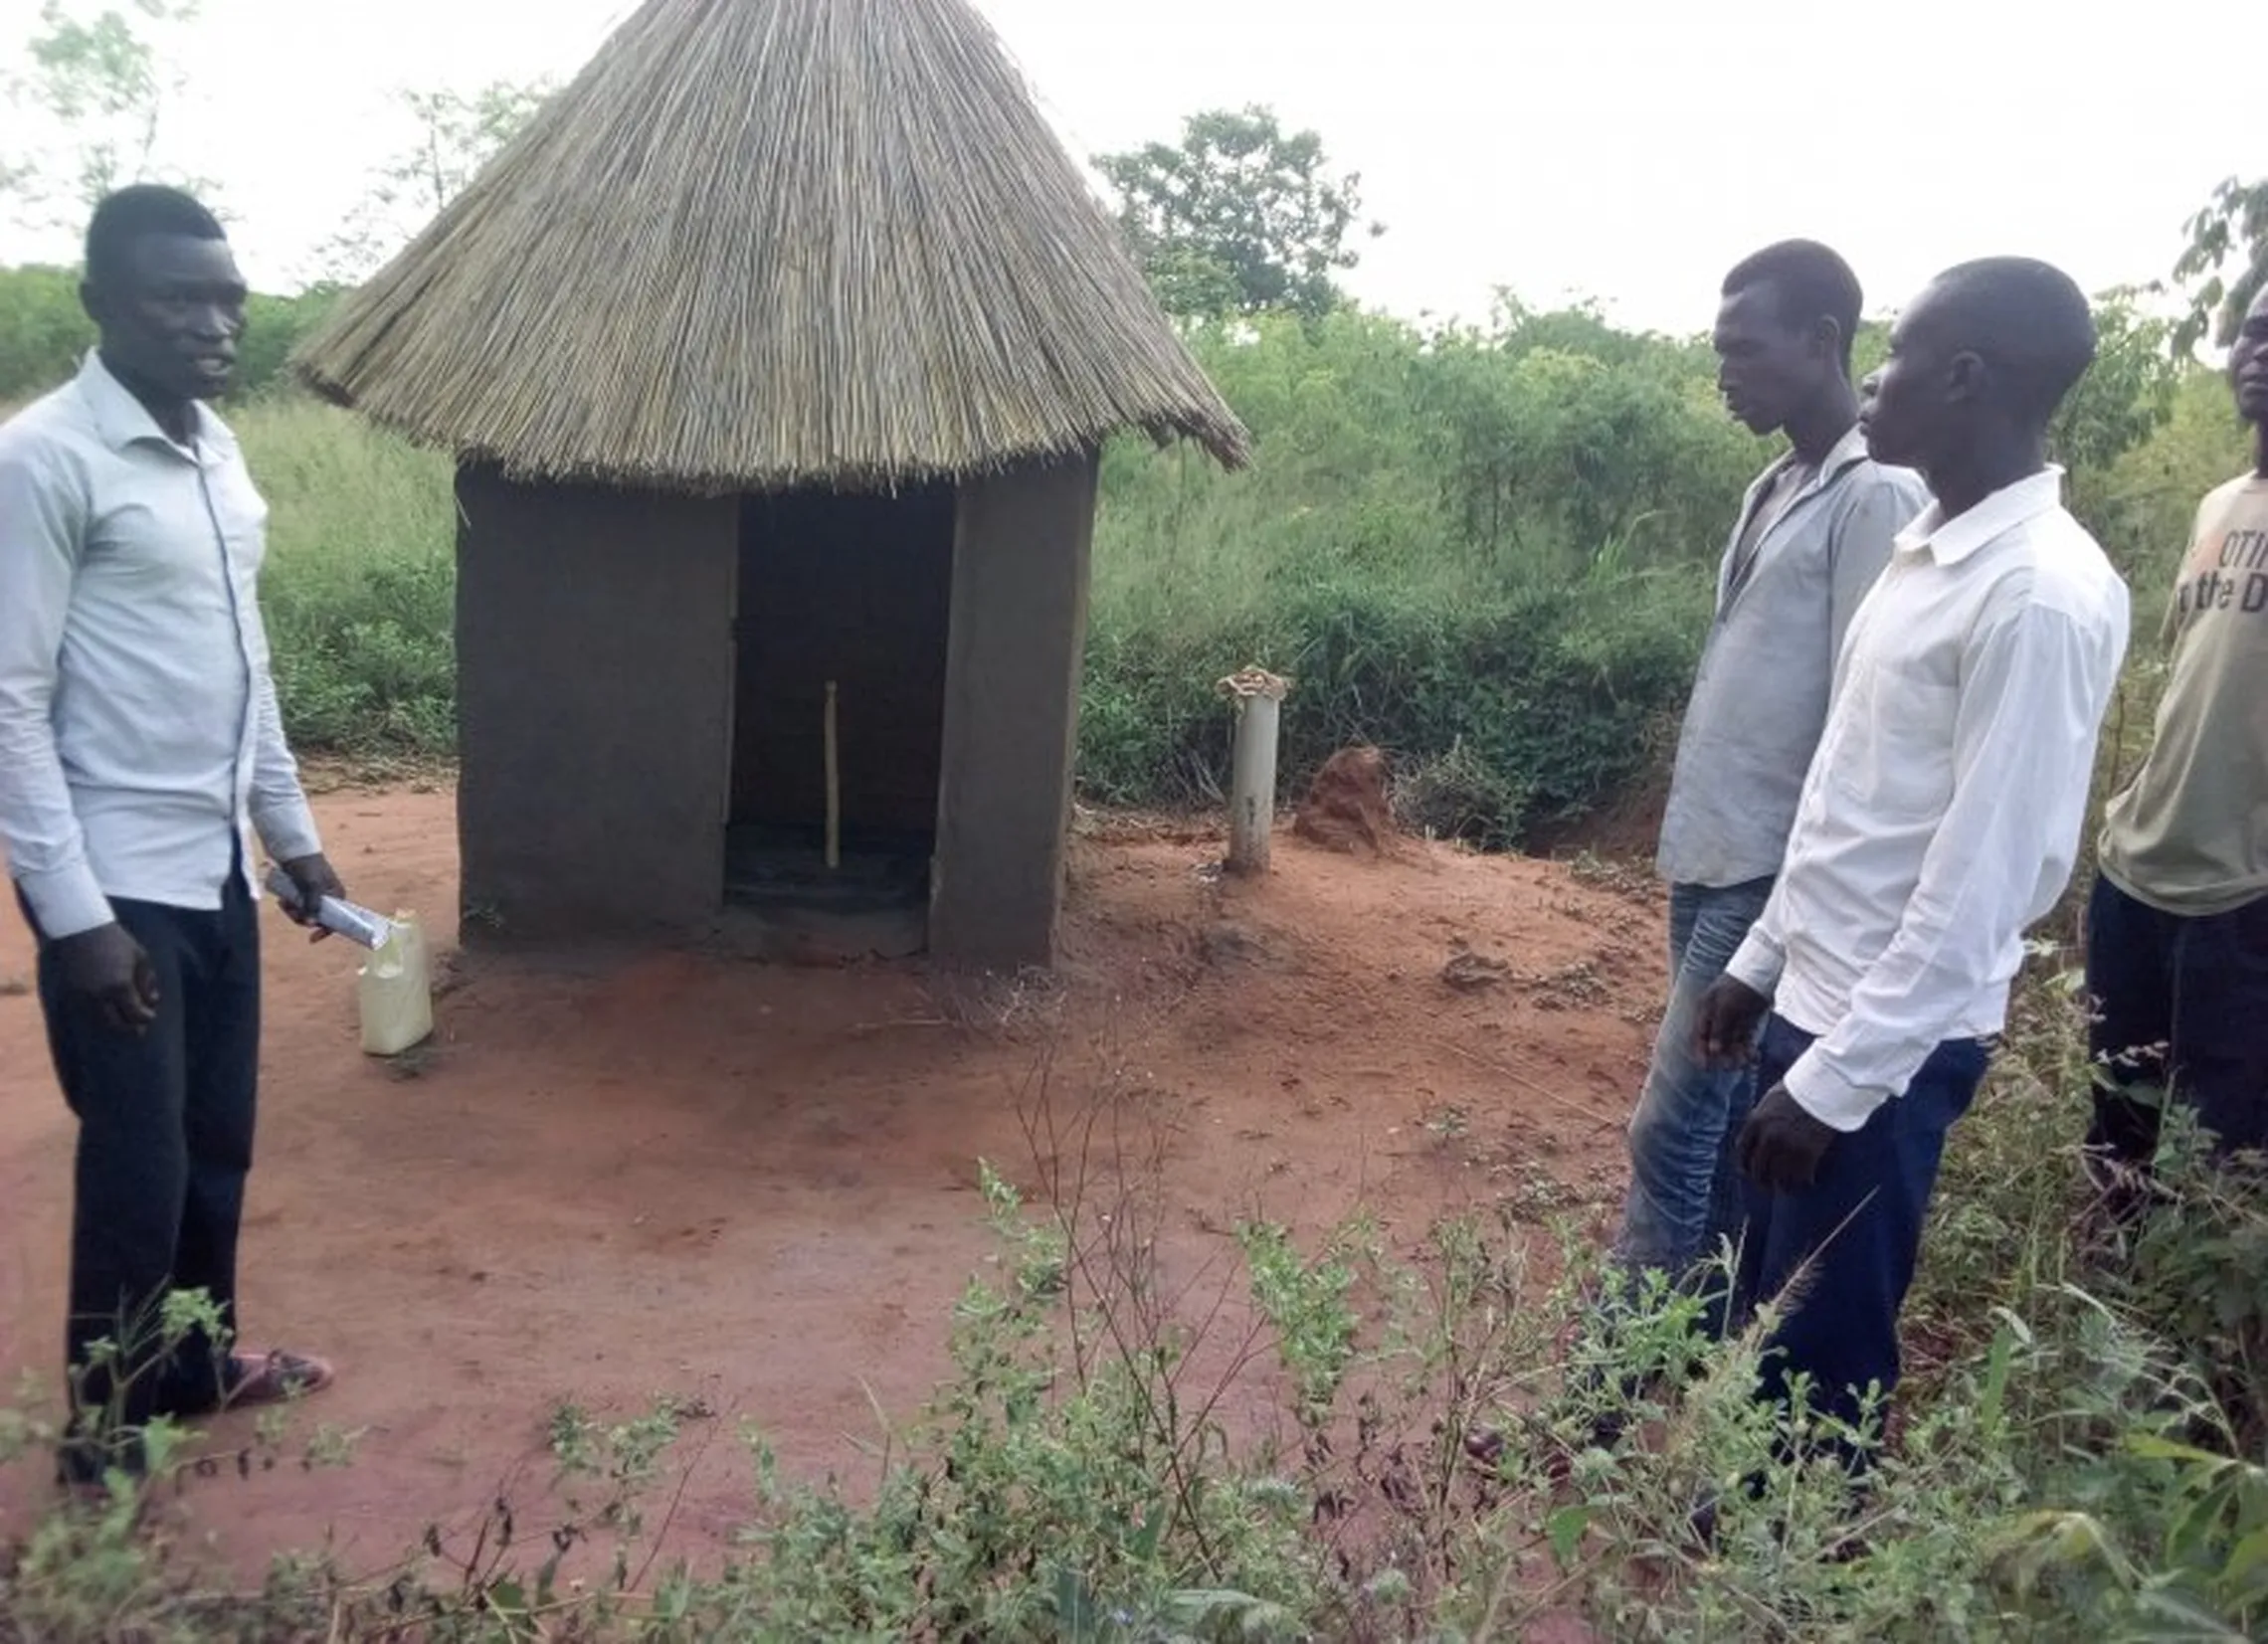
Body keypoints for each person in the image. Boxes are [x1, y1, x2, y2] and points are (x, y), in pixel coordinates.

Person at [1691, 257, 2131, 1452]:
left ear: (1968, 376)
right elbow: (1850, 792)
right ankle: (1739, 1523)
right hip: (1819, 997)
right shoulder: (1931, 545)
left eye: (1900, 352)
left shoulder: (2038, 595)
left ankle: (1792, 1573)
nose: (1872, 377)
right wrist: (1764, 957)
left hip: (1885, 1043)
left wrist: (1836, 1082)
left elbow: (1983, 883)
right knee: (1764, 1311)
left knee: (1824, 1345)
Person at [0, 185, 345, 1484]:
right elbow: (10, 699)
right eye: (177, 299)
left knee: (216, 1141)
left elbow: (242, 660)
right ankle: (104, 1441)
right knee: (139, 1167)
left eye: (228, 301)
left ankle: (197, 1369)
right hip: (113, 881)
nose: (214, 325)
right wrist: (75, 919)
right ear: (98, 305)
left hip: (214, 866)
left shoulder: (216, 451)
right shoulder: (42, 459)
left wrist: (290, 834)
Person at [1614, 241, 1926, 1293]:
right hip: (1711, 846)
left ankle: (1615, 1377)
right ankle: (1696, 1339)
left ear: (1822, 341)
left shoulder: (1874, 494)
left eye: (1744, 350)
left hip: (1768, 866)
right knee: (1717, 1118)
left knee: (1671, 1124)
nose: (1725, 373)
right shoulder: (1776, 481)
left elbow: (1862, 713)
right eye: (1719, 352)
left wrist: (1801, 890)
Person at [2084, 282, 2268, 1182]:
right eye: (2252, 335)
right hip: (2139, 867)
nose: (2258, 355)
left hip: (2245, 890)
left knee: (2216, 1156)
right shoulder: (2217, 504)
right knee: (2118, 1122)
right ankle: (2107, 1303)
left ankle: (2181, 1328)